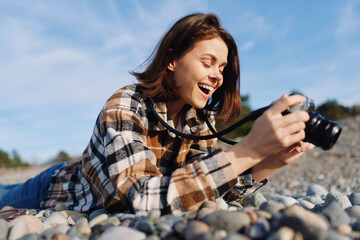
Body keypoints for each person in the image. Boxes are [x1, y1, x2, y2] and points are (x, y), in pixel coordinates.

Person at [0, 13, 313, 214]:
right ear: (173, 59)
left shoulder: (200, 120)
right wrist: (249, 150)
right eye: (207, 63)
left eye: (221, 67)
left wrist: (268, 161)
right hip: (54, 192)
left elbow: (206, 193)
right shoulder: (126, 103)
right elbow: (139, 198)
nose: (218, 75)